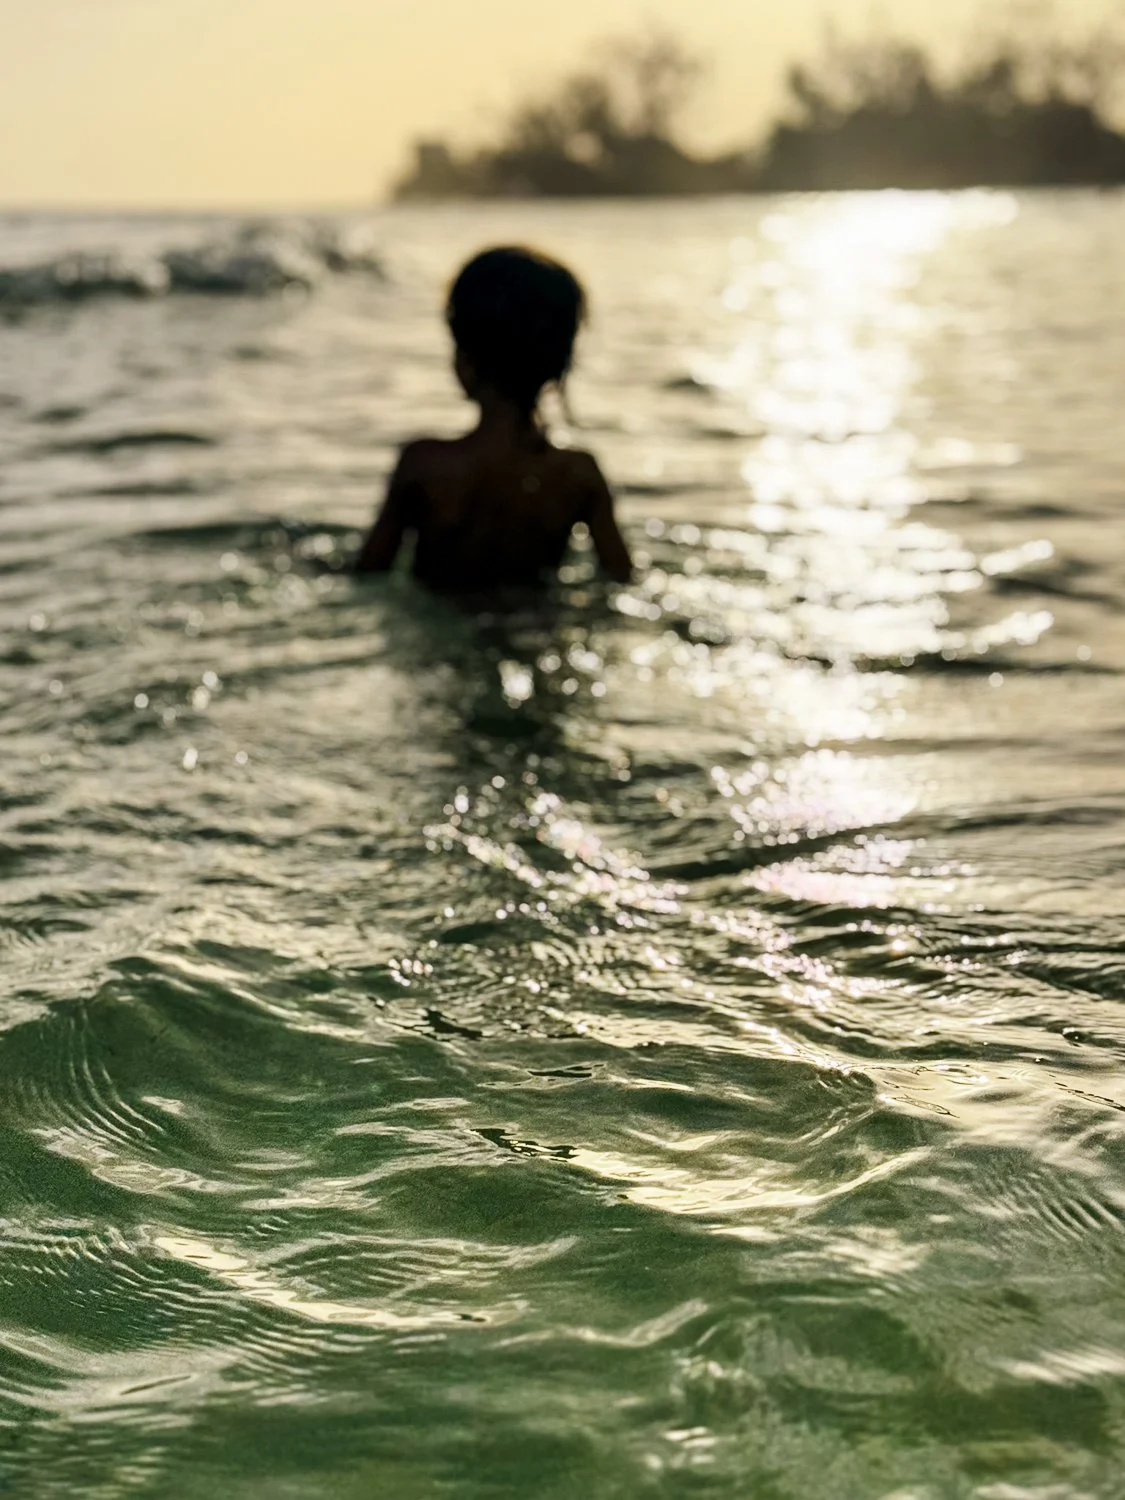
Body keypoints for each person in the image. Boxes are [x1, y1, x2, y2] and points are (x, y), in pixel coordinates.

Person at [355, 246, 633, 593]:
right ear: (557, 364)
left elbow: (369, 573)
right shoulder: (578, 475)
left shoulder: (424, 465)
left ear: (465, 361)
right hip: (536, 636)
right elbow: (622, 580)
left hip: (442, 634)